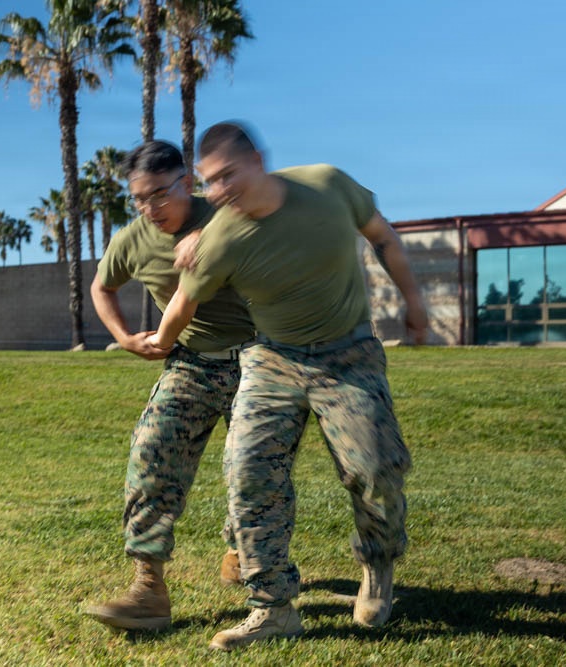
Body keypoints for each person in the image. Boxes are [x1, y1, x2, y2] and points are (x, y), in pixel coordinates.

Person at [146, 121, 429, 651]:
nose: (220, 191)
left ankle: (378, 564)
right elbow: (183, 302)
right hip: (273, 357)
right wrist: (157, 340)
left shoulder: (327, 186)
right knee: (247, 468)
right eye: (210, 182)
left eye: (228, 175)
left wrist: (414, 304)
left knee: (375, 469)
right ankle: (271, 607)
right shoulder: (223, 236)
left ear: (258, 159)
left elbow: (383, 237)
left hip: (348, 352)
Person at [81, 140, 255, 632]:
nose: (149, 208)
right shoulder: (132, 239)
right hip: (192, 362)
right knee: (152, 451)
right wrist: (123, 337)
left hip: (261, 357)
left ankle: (243, 550)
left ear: (187, 181)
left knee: (254, 466)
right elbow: (101, 285)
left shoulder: (227, 212)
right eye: (138, 198)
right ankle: (148, 589)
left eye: (159, 194)